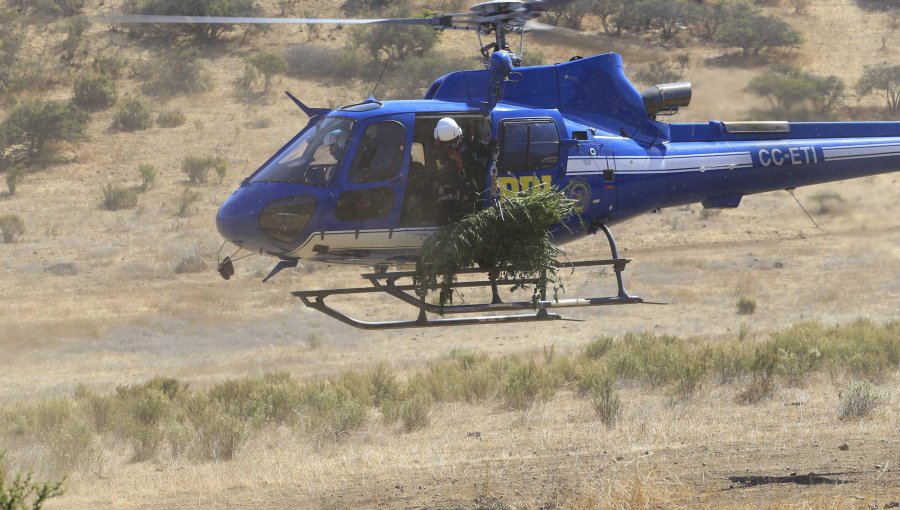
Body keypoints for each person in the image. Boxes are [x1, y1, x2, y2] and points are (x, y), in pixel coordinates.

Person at [432, 118, 480, 223]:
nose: (451, 146)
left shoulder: (466, 145)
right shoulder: (437, 156)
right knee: (444, 216)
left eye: (453, 143)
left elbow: (476, 150)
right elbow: (445, 177)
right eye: (446, 144)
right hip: (449, 191)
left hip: (466, 188)